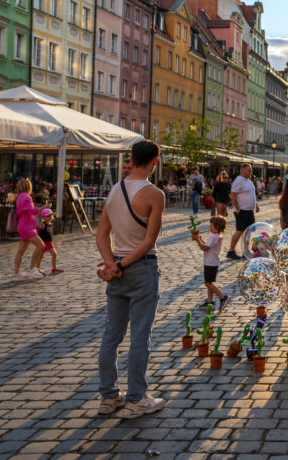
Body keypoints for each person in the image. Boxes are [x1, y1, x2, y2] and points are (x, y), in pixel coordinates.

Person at [96, 139, 166, 419]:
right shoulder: (154, 194)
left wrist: (112, 264)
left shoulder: (115, 190)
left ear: (133, 159)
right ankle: (136, 398)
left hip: (118, 272)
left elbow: (101, 233)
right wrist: (121, 264)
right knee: (140, 334)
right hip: (141, 268)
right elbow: (150, 240)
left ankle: (108, 396)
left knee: (111, 334)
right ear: (154, 162)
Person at [192, 215, 229, 311]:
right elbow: (207, 244)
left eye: (211, 225)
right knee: (209, 282)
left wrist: (197, 240)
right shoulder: (217, 236)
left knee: (208, 283)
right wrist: (199, 238)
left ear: (216, 227)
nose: (210, 227)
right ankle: (209, 301)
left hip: (210, 263)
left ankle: (222, 297)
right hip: (212, 262)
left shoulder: (213, 237)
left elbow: (204, 247)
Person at [12, 178, 45, 281]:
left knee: (21, 251)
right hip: (27, 226)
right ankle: (32, 270)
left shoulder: (19, 197)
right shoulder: (26, 197)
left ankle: (17, 273)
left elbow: (25, 212)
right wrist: (43, 208)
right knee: (40, 245)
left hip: (23, 225)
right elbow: (32, 211)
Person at [226, 164, 257, 260]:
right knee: (240, 231)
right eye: (249, 170)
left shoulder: (248, 181)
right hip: (242, 210)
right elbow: (232, 195)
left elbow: (251, 193)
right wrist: (237, 208)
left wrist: (256, 204)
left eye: (250, 170)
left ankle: (245, 251)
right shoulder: (238, 181)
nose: (250, 172)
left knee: (248, 231)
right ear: (242, 170)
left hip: (249, 210)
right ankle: (231, 251)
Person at [38, 208, 62, 275]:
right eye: (47, 216)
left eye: (50, 216)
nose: (49, 217)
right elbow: (38, 229)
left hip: (49, 242)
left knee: (54, 254)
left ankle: (54, 268)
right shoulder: (42, 224)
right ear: (43, 217)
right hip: (43, 242)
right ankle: (38, 269)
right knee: (40, 256)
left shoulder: (50, 224)